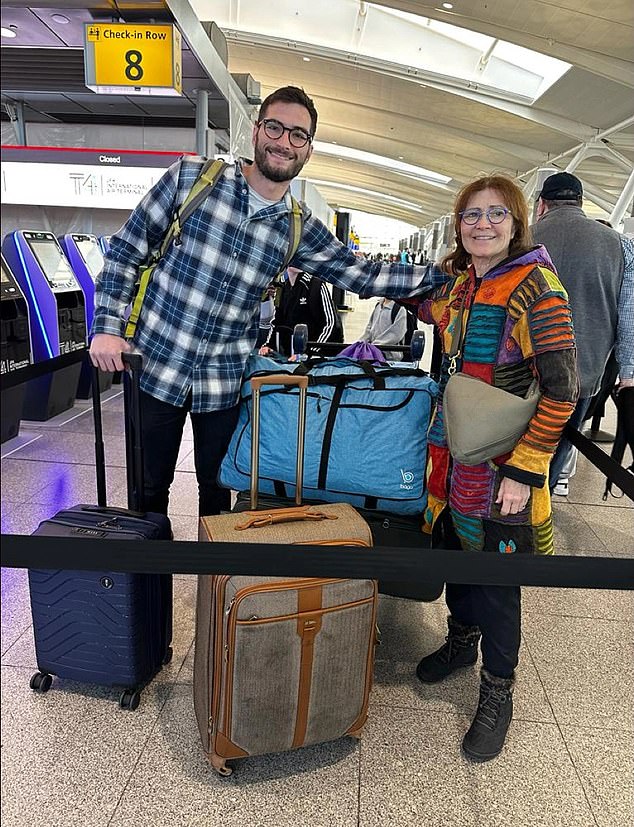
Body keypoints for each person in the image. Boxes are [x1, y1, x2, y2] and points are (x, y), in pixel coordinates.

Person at [89, 85, 446, 517]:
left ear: (308, 150)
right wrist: (107, 327)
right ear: (257, 131)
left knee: (220, 490)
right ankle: (148, 584)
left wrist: (444, 278)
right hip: (156, 363)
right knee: (147, 490)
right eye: (275, 127)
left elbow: (361, 273)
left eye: (298, 135)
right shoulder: (192, 179)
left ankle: (214, 584)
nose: (284, 142)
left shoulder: (297, 226)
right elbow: (127, 251)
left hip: (225, 379)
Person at [409, 175, 578, 762]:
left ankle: (498, 691)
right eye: (471, 214)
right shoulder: (464, 284)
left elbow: (563, 390)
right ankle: (462, 643)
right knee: (457, 551)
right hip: (454, 454)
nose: (482, 224)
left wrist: (527, 470)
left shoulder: (538, 287)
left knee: (500, 585)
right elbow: (429, 306)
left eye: (496, 214)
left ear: (517, 221)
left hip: (506, 462)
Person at [531, 171, 634, 493]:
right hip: (582, 373)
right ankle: (541, 505)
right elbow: (629, 316)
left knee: (514, 447)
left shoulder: (520, 238)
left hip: (518, 368)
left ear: (542, 204)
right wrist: (629, 373)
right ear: (580, 202)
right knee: (559, 445)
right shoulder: (621, 245)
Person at [259, 266, 343, 357]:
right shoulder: (282, 287)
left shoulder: (316, 284)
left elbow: (331, 323)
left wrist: (310, 352)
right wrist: (268, 345)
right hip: (291, 355)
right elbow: (277, 320)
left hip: (318, 355)